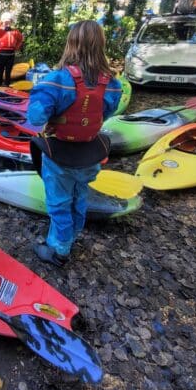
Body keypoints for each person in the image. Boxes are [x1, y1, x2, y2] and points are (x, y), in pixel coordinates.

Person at [26, 20, 122, 267]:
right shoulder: (111, 84)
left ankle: (59, 250)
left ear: (72, 44)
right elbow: (105, 115)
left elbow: (35, 118)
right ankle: (73, 234)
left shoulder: (57, 79)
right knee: (79, 196)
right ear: (100, 45)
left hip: (60, 155)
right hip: (89, 154)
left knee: (59, 202)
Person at [0, 12, 23, 86]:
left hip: (11, 55)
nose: (8, 24)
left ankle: (7, 86)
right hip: (0, 55)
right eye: (6, 22)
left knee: (8, 72)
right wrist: (1, 21)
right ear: (3, 22)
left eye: (9, 22)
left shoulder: (15, 31)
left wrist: (16, 47)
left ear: (11, 22)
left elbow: (20, 39)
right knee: (0, 71)